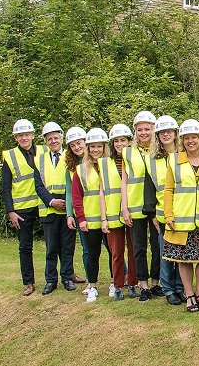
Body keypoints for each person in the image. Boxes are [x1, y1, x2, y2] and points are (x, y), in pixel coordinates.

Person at [162, 119, 199, 312]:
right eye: (186, 138)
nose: (190, 141)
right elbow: (168, 190)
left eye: (194, 137)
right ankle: (189, 294)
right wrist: (168, 215)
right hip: (181, 219)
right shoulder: (174, 160)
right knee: (183, 259)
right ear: (182, 140)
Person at [2, 119, 57, 296]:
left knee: (55, 242)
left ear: (33, 135)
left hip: (43, 203)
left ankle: (64, 275)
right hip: (22, 208)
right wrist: (11, 211)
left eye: (27, 134)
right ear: (16, 138)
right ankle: (29, 282)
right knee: (25, 246)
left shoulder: (44, 150)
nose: (24, 138)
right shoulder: (10, 157)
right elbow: (6, 186)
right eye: (20, 135)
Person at [122, 111, 162, 302]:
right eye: (140, 129)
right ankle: (143, 285)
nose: (144, 133)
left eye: (147, 129)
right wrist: (124, 207)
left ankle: (155, 283)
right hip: (135, 204)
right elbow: (125, 181)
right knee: (138, 247)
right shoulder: (127, 151)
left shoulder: (159, 150)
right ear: (135, 131)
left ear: (153, 130)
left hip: (156, 206)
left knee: (157, 245)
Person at [146, 115, 186, 305]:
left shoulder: (185, 154)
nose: (166, 135)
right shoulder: (151, 159)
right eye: (162, 132)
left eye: (169, 131)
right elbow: (150, 189)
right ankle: (168, 288)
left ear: (176, 133)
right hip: (162, 213)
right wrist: (153, 213)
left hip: (183, 211)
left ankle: (181, 287)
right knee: (166, 252)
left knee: (182, 252)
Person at [35, 122, 77, 294]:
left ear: (61, 138)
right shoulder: (39, 159)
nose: (53, 141)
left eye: (56, 137)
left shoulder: (70, 156)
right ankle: (50, 280)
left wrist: (66, 205)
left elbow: (74, 182)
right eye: (49, 139)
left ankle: (67, 277)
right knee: (51, 247)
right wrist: (52, 202)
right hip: (49, 210)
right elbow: (38, 185)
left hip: (67, 210)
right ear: (45, 141)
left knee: (67, 246)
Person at [72, 128, 111, 303]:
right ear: (88, 148)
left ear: (104, 147)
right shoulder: (80, 170)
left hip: (110, 218)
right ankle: (92, 286)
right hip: (90, 219)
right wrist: (80, 218)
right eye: (92, 147)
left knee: (114, 252)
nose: (96, 150)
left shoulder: (111, 165)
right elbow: (76, 196)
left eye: (99, 146)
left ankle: (114, 282)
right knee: (92, 254)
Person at [102, 124, 139, 301]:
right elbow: (102, 192)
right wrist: (103, 218)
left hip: (132, 211)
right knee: (116, 253)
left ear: (130, 141)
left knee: (133, 250)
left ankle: (133, 283)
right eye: (116, 141)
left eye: (123, 140)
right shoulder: (105, 163)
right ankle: (117, 285)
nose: (119, 144)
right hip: (112, 214)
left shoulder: (135, 159)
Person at [63, 127, 89, 285]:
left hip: (101, 211)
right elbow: (69, 193)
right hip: (81, 213)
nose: (77, 147)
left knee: (111, 247)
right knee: (87, 249)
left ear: (85, 142)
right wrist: (69, 214)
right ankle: (91, 281)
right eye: (72, 145)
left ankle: (122, 276)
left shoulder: (97, 160)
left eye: (78, 143)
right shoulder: (71, 167)